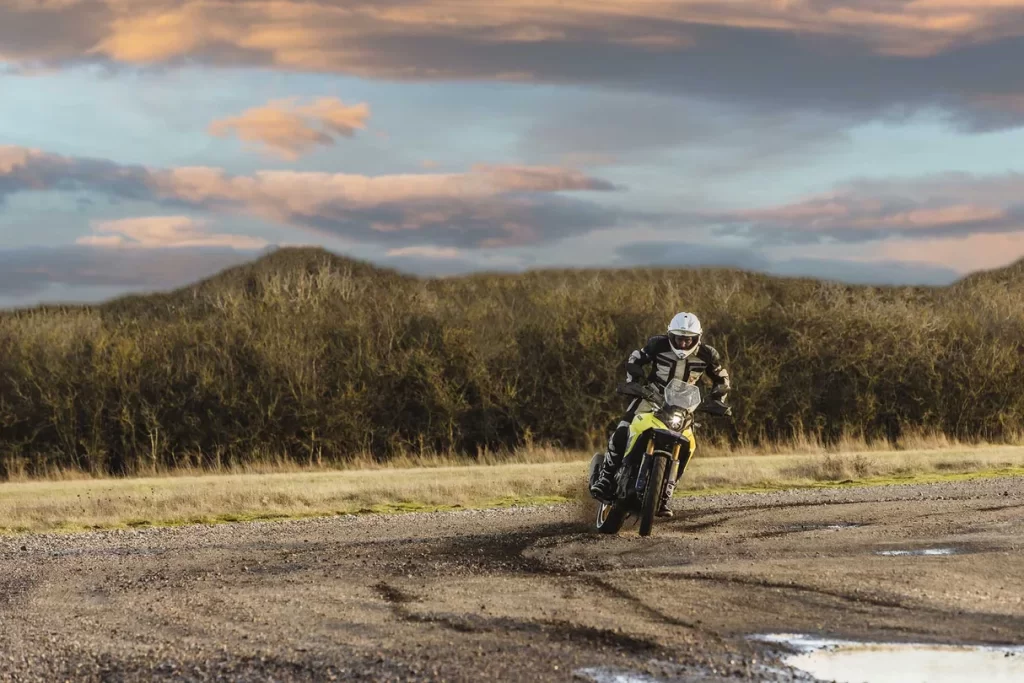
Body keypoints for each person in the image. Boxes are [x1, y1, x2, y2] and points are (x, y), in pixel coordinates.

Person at [590, 312, 731, 516]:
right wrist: (634, 382)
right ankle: (605, 477)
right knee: (624, 429)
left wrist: (718, 400)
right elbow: (636, 358)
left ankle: (664, 493)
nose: (683, 343)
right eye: (679, 338)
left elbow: (722, 378)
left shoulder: (708, 354)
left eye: (688, 339)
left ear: (697, 337)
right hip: (651, 398)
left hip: (684, 406)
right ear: (670, 335)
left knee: (688, 446)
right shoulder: (657, 345)